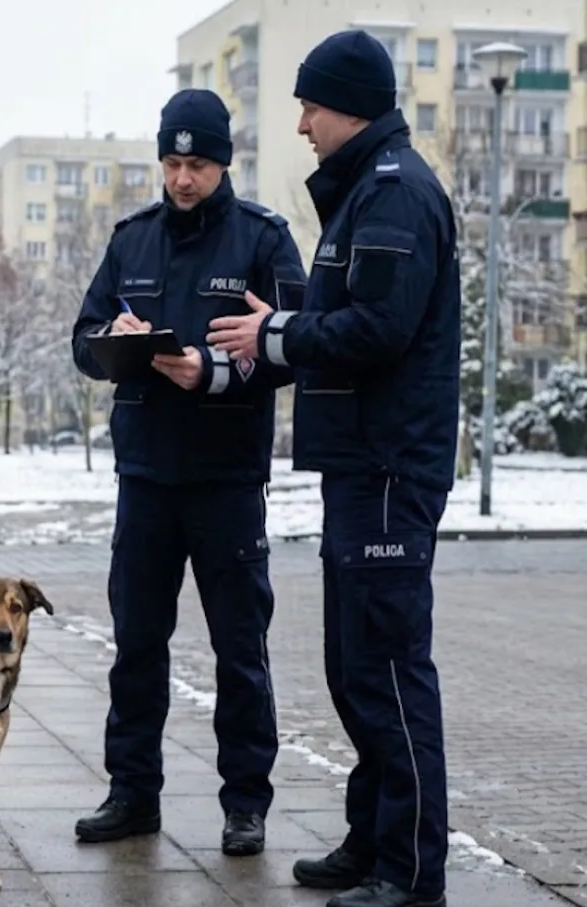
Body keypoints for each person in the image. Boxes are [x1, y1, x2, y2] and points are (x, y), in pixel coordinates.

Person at [206, 29, 460, 907]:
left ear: (350, 105)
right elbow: (360, 308)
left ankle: (412, 870)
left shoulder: (392, 195)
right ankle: (372, 837)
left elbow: (381, 331)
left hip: (390, 467)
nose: (303, 123)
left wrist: (276, 334)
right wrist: (292, 314)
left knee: (388, 670)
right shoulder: (367, 196)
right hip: (363, 467)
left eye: (311, 105)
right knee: (356, 669)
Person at [69, 88, 308, 857]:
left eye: (196, 164)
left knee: (241, 650)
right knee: (138, 645)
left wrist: (211, 369)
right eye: (170, 163)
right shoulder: (132, 240)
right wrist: (118, 336)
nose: (180, 179)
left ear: (222, 162)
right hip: (144, 477)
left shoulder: (263, 239)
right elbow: (83, 338)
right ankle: (132, 793)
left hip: (226, 482)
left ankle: (246, 803)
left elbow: (297, 347)